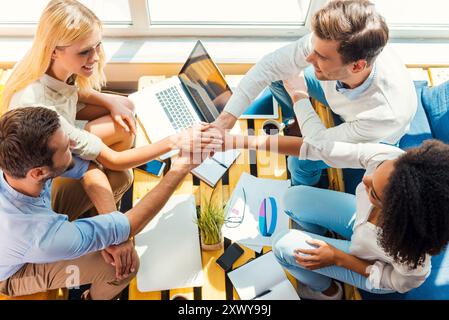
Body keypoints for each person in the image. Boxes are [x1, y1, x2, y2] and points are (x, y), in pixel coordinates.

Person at [1, 0, 221, 221]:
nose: (95, 57)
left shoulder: (42, 64)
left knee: (126, 110)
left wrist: (110, 102)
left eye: (98, 45)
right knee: (122, 176)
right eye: (85, 51)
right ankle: (100, 216)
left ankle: (105, 196)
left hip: (63, 136)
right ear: (54, 51)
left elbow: (68, 92)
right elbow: (114, 159)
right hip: (48, 185)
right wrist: (177, 141)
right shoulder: (41, 113)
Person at [0, 107, 201, 299]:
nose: (72, 143)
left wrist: (113, 235)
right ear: (39, 173)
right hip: (14, 270)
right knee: (122, 266)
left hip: (37, 216)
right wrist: (179, 170)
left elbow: (88, 167)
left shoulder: (19, 165)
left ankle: (96, 232)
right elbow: (131, 225)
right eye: (65, 147)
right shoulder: (38, 236)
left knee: (118, 177)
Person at [223, 132, 449, 299]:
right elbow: (317, 148)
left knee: (283, 245)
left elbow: (395, 281)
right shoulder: (388, 157)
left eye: (373, 192)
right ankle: (316, 245)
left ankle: (327, 291)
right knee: (293, 198)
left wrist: (337, 258)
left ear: (395, 214)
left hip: (367, 264)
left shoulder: (412, 257)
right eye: (375, 172)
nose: (364, 180)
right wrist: (242, 140)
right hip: (358, 226)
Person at [214, 0, 417, 186]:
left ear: (357, 66)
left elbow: (317, 144)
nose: (309, 58)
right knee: (280, 76)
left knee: (299, 163)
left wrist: (299, 97)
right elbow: (269, 66)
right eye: (313, 47)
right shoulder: (332, 44)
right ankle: (294, 124)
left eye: (321, 57)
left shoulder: (385, 114)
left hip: (370, 136)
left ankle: (302, 191)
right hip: (341, 98)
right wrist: (223, 123)